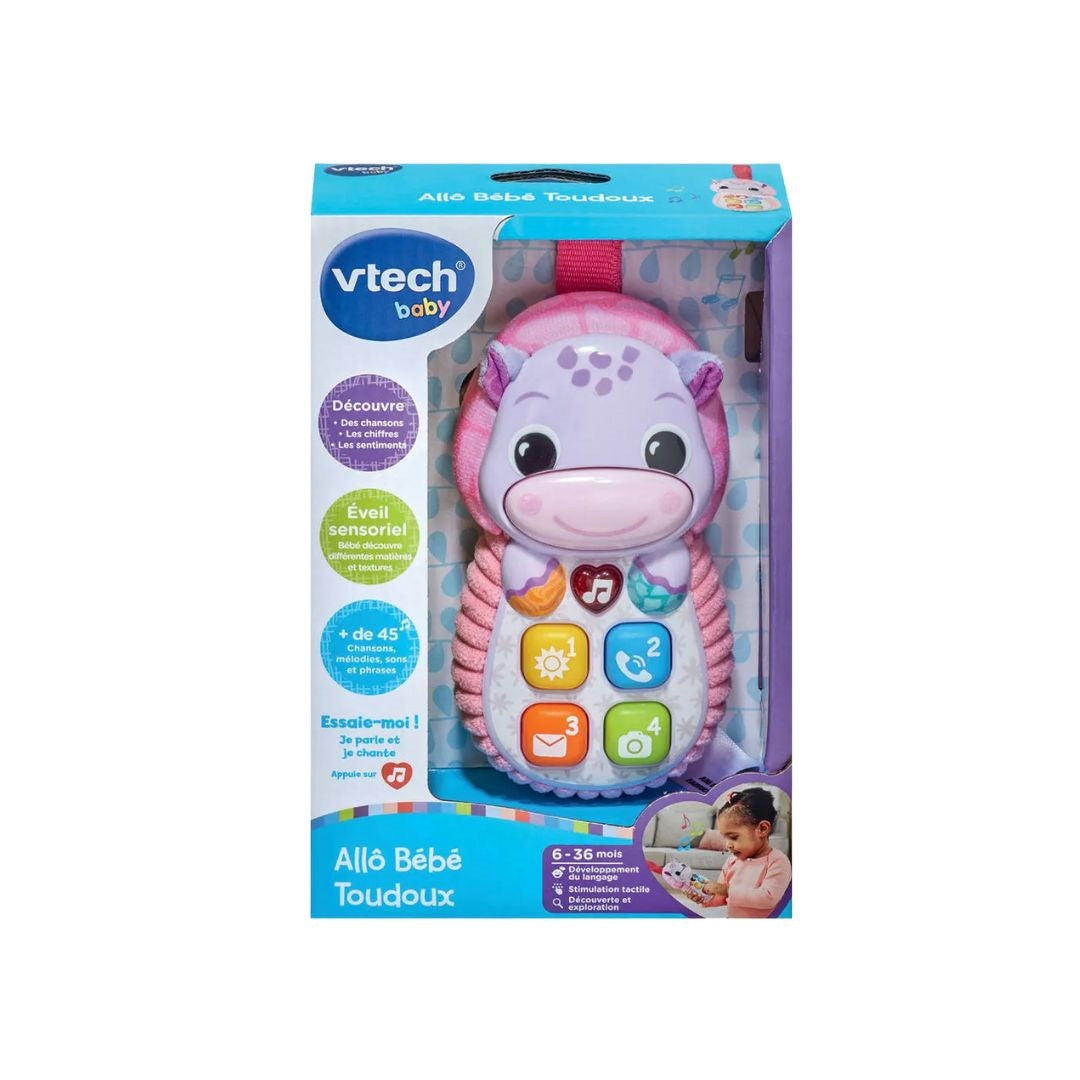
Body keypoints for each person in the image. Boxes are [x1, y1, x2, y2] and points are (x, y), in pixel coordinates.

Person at [700, 788, 791, 918]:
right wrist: (703, 897)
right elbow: (722, 897)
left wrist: (726, 890)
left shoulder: (778, 861)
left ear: (762, 829)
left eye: (733, 837)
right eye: (725, 838)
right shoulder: (732, 861)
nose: (727, 845)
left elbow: (768, 898)